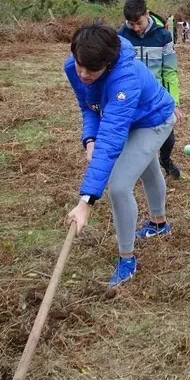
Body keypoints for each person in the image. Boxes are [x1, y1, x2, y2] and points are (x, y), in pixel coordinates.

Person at [64, 23, 177, 286]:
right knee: (147, 169)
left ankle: (127, 258)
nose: (83, 73)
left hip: (155, 120)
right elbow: (90, 106)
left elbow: (113, 136)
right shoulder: (75, 66)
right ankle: (159, 224)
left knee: (119, 186)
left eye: (92, 69)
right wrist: (90, 139)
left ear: (109, 63)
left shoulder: (125, 79)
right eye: (80, 65)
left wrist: (85, 203)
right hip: (132, 120)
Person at [118, 0, 184, 180]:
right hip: (132, 97)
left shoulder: (163, 36)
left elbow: (169, 72)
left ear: (147, 14)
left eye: (138, 22)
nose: (136, 28)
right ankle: (138, 167)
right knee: (133, 136)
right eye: (131, 24)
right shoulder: (121, 35)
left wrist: (174, 102)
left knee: (167, 136)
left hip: (158, 97)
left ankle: (165, 160)